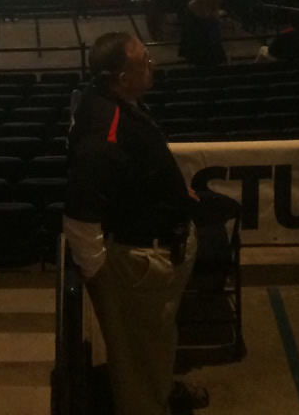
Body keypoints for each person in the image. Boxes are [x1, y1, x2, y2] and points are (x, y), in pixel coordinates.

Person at [64, 33, 200, 415]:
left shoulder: (113, 103)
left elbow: (129, 170)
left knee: (153, 343)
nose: (151, 65)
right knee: (139, 355)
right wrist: (102, 275)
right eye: (144, 61)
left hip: (152, 254)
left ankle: (159, 391)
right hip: (140, 263)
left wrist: (173, 194)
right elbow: (80, 208)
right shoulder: (104, 128)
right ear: (122, 77)